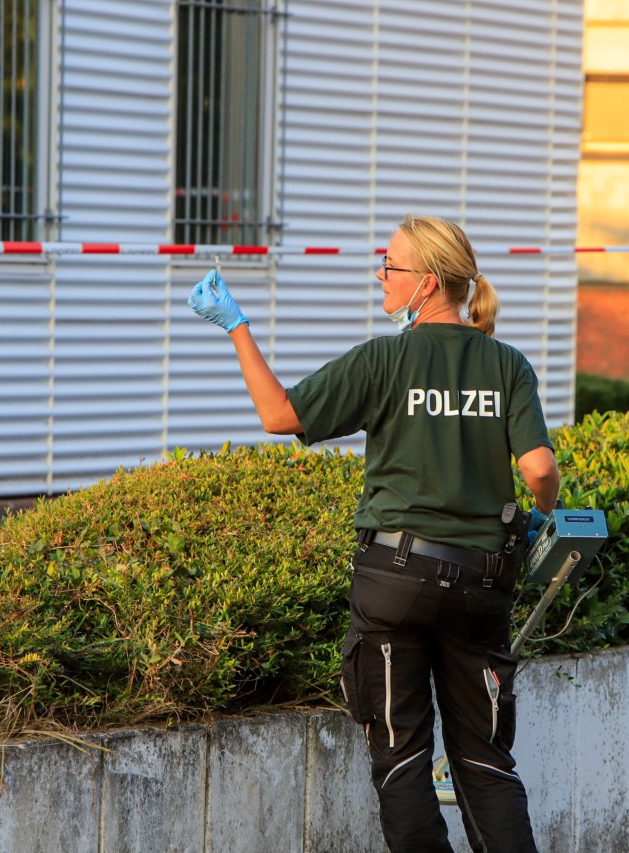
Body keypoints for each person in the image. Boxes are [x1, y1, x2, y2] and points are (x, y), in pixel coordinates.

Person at [187, 214, 559, 853]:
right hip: (481, 588)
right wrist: (542, 513)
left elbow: (280, 415)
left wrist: (237, 327)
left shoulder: (386, 359)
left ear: (430, 281)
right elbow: (539, 469)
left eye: (391, 267)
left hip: (396, 583)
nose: (380, 277)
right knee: (488, 764)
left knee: (403, 763)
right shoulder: (508, 365)